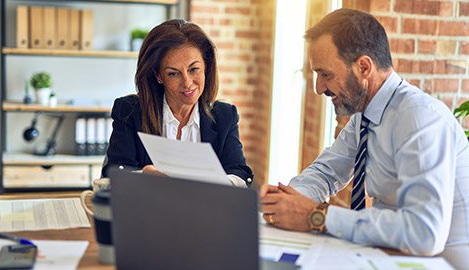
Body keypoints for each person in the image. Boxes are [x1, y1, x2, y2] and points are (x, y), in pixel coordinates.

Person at [259, 8, 469, 269]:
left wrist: (317, 216)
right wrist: (286, 202)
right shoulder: (365, 115)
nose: (318, 88)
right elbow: (326, 172)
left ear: (364, 67)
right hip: (386, 256)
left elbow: (424, 233)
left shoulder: (420, 118)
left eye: (326, 74)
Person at [102, 19, 253, 187]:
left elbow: (240, 175)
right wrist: (143, 177)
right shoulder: (130, 111)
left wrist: (212, 182)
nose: (187, 83)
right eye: (174, 74)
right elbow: (111, 176)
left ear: (206, 67)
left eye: (193, 69)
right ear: (158, 76)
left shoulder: (225, 116)